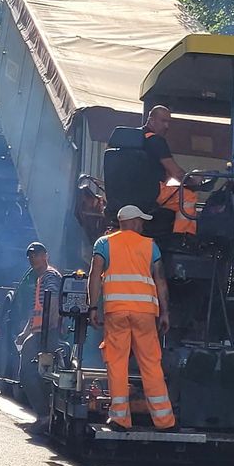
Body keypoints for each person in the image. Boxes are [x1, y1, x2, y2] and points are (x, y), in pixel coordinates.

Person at [87, 205, 175, 431]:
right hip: (145, 314)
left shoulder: (104, 243)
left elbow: (95, 274)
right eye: (141, 221)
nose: (143, 225)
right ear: (133, 222)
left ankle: (119, 419)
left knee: (117, 364)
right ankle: (165, 422)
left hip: (116, 311)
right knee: (151, 364)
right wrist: (165, 312)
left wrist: (93, 307)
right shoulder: (150, 245)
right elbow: (161, 280)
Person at [14, 242, 61, 427]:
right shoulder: (40, 278)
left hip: (47, 333)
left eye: (36, 255)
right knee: (36, 374)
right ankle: (45, 414)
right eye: (30, 256)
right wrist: (25, 332)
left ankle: (44, 416)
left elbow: (54, 303)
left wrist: (47, 333)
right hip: (39, 332)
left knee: (28, 372)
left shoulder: (50, 276)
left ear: (45, 256)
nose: (33, 258)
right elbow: (37, 311)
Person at [140, 105, 198, 235]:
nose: (167, 126)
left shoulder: (131, 139)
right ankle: (182, 238)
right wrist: (193, 181)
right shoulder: (156, 141)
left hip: (128, 192)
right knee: (188, 196)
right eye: (163, 121)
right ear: (151, 120)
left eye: (168, 122)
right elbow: (175, 173)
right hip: (152, 192)